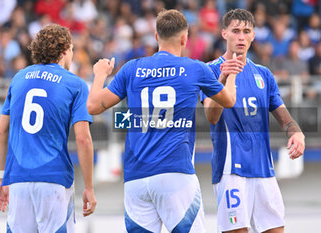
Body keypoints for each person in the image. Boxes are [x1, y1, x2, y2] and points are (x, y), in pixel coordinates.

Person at [87, 9, 238, 233]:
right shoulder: (194, 68)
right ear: (185, 38)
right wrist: (231, 73)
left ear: (156, 37)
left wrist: (100, 73)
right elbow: (229, 101)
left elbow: (92, 106)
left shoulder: (132, 68)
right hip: (175, 174)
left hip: (136, 178)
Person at [201, 9, 305, 233]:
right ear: (224, 33)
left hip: (264, 170)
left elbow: (284, 117)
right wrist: (223, 79)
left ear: (253, 36)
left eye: (246, 31)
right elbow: (211, 116)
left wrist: (295, 132)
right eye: (235, 31)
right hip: (231, 171)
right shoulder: (209, 70)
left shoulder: (263, 74)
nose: (241, 36)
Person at [0, 24, 96, 233]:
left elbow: (2, 132)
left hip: (18, 179)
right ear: (65, 50)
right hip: (54, 179)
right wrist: (89, 187)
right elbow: (83, 139)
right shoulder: (75, 84)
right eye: (73, 50)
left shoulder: (19, 78)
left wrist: (1, 177)